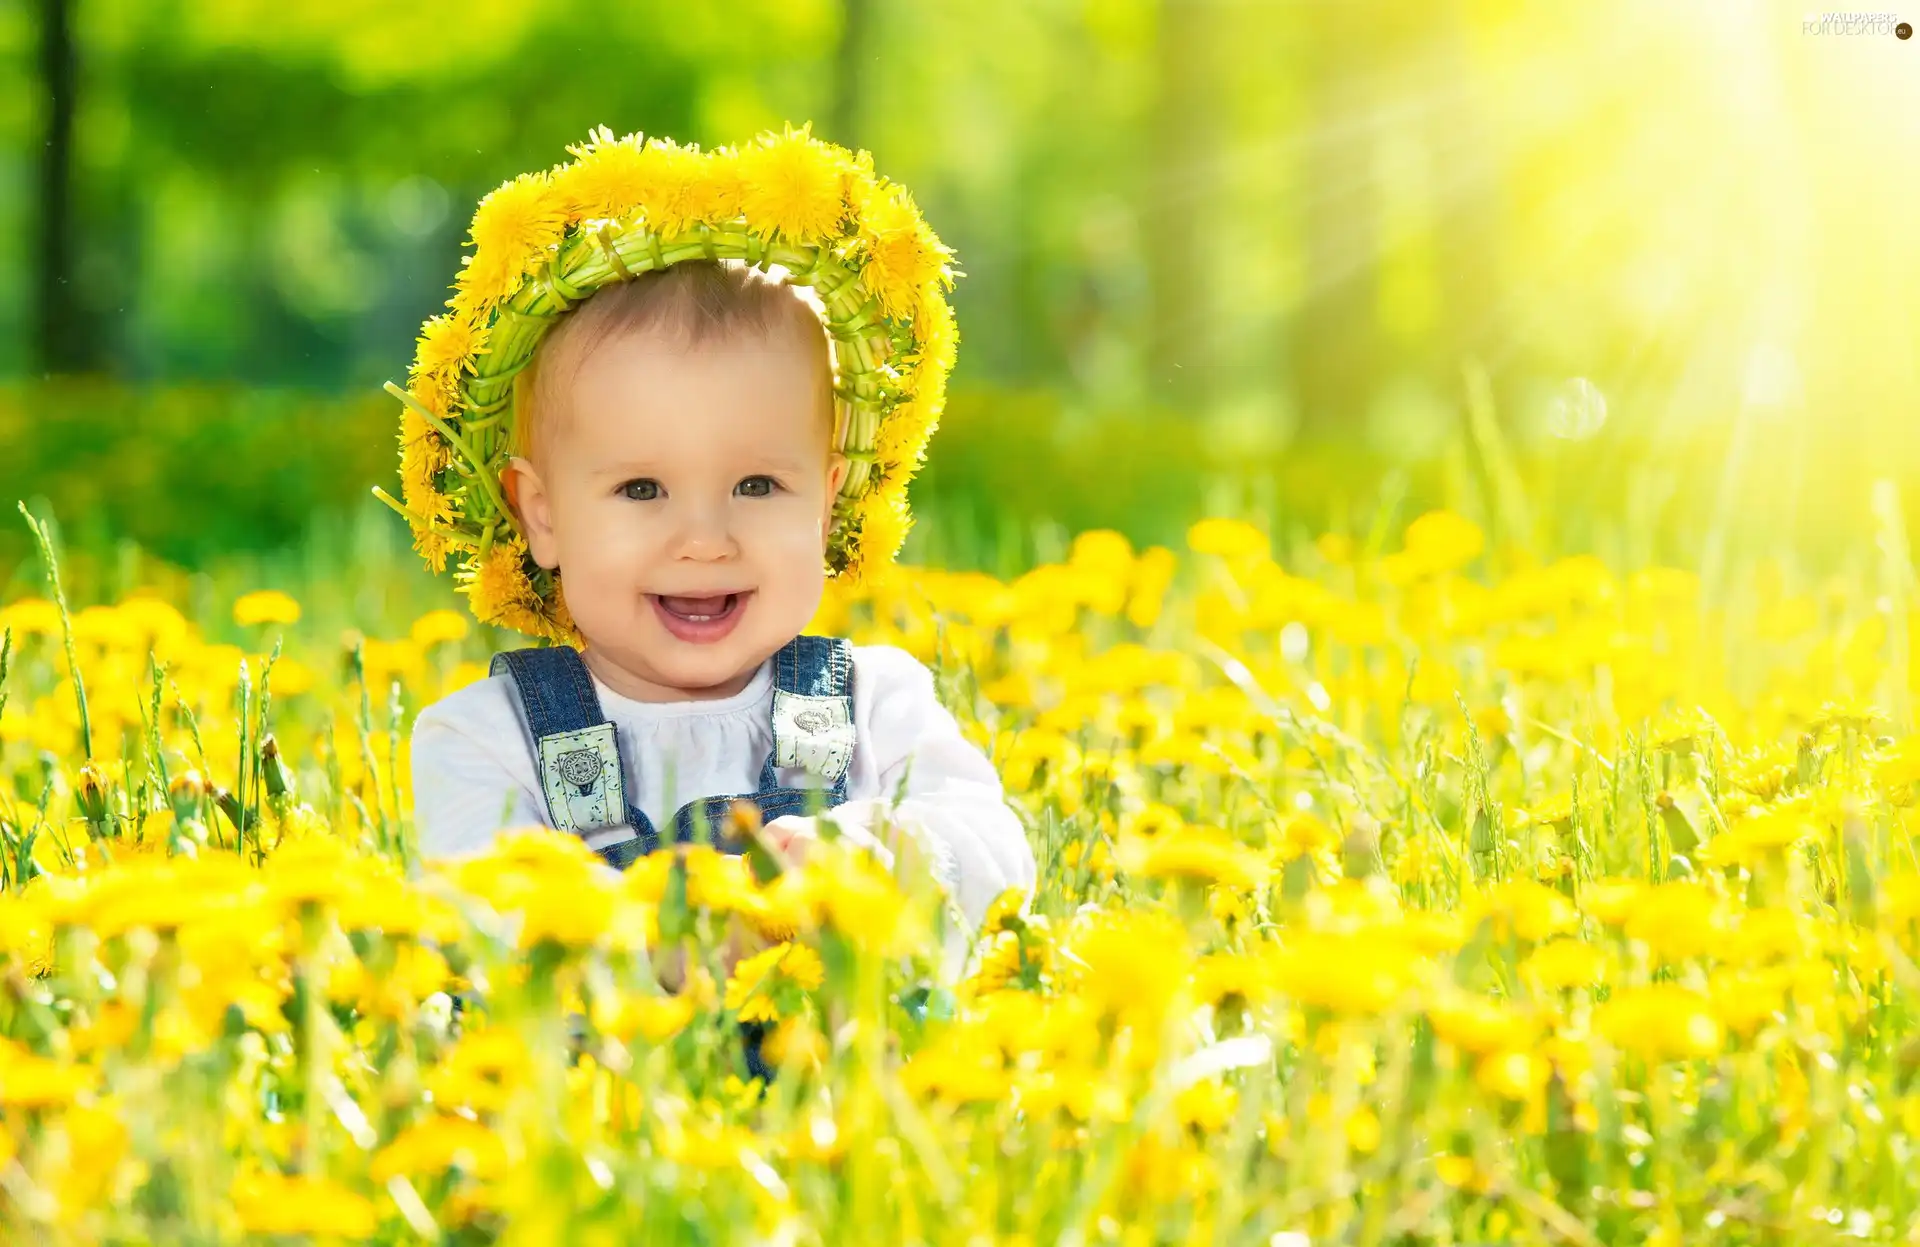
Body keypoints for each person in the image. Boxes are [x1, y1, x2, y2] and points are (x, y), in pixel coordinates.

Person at [394, 128, 1037, 996]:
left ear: (826, 500)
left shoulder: (875, 703)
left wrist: (877, 853)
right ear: (541, 515)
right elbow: (484, 918)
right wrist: (670, 937)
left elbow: (996, 857)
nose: (704, 538)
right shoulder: (486, 739)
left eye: (758, 483)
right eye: (642, 490)